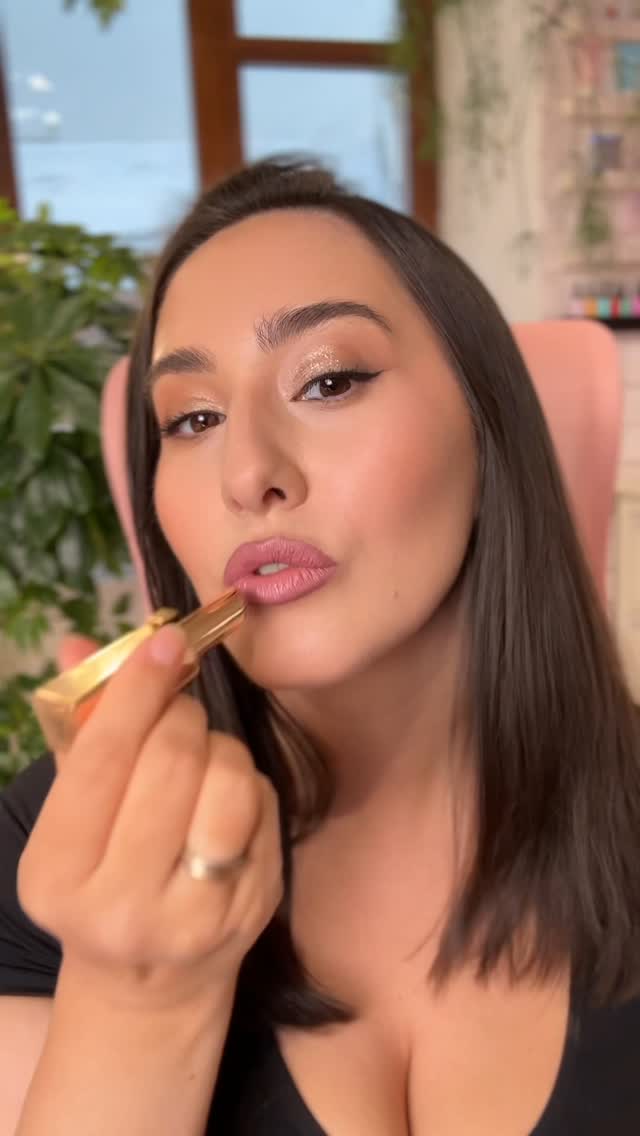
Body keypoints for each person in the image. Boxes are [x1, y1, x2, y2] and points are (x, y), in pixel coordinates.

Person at [1, 157, 640, 1136]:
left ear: (488, 429)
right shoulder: (51, 852)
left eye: (329, 379)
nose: (247, 471)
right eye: (193, 418)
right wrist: (136, 1003)